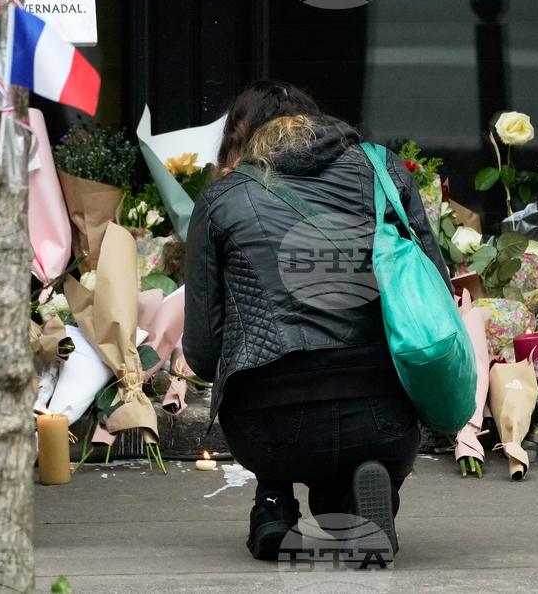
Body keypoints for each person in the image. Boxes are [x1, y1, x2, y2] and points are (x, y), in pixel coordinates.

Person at [183, 80, 452, 561]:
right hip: (382, 418)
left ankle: (273, 507)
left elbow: (203, 352)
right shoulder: (383, 170)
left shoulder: (222, 198)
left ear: (240, 139)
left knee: (265, 369)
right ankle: (368, 494)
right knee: (357, 424)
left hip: (268, 430)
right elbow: (434, 281)